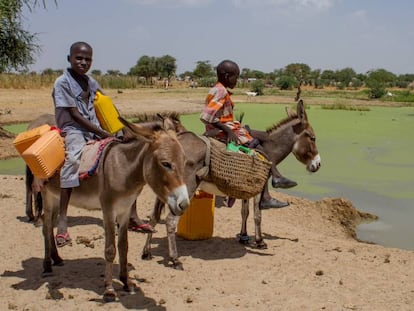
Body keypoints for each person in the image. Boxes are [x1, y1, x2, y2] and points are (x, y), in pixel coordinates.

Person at [200, 59, 292, 209]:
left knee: (257, 144)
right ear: (226, 76)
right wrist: (228, 131)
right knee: (258, 148)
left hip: (224, 128)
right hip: (223, 130)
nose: (237, 80)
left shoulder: (216, 89)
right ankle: (272, 184)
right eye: (236, 76)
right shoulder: (221, 91)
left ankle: (275, 178)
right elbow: (206, 116)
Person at [52, 41, 114, 247]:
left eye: (87, 59)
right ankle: (62, 220)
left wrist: (118, 127)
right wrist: (102, 133)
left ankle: (130, 215)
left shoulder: (91, 82)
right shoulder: (62, 83)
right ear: (69, 58)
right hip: (74, 129)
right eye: (79, 58)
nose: (83, 62)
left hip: (94, 126)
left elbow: (105, 103)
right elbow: (74, 115)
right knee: (73, 159)